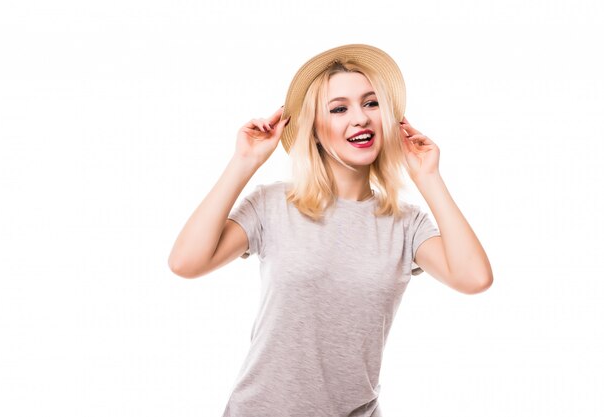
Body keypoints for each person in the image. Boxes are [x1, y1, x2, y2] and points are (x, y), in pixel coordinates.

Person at [168, 44, 493, 417]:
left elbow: (475, 279)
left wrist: (429, 177)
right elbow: (185, 262)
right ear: (316, 130)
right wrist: (244, 162)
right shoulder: (273, 205)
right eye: (339, 108)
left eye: (371, 104)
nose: (361, 118)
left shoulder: (406, 225)